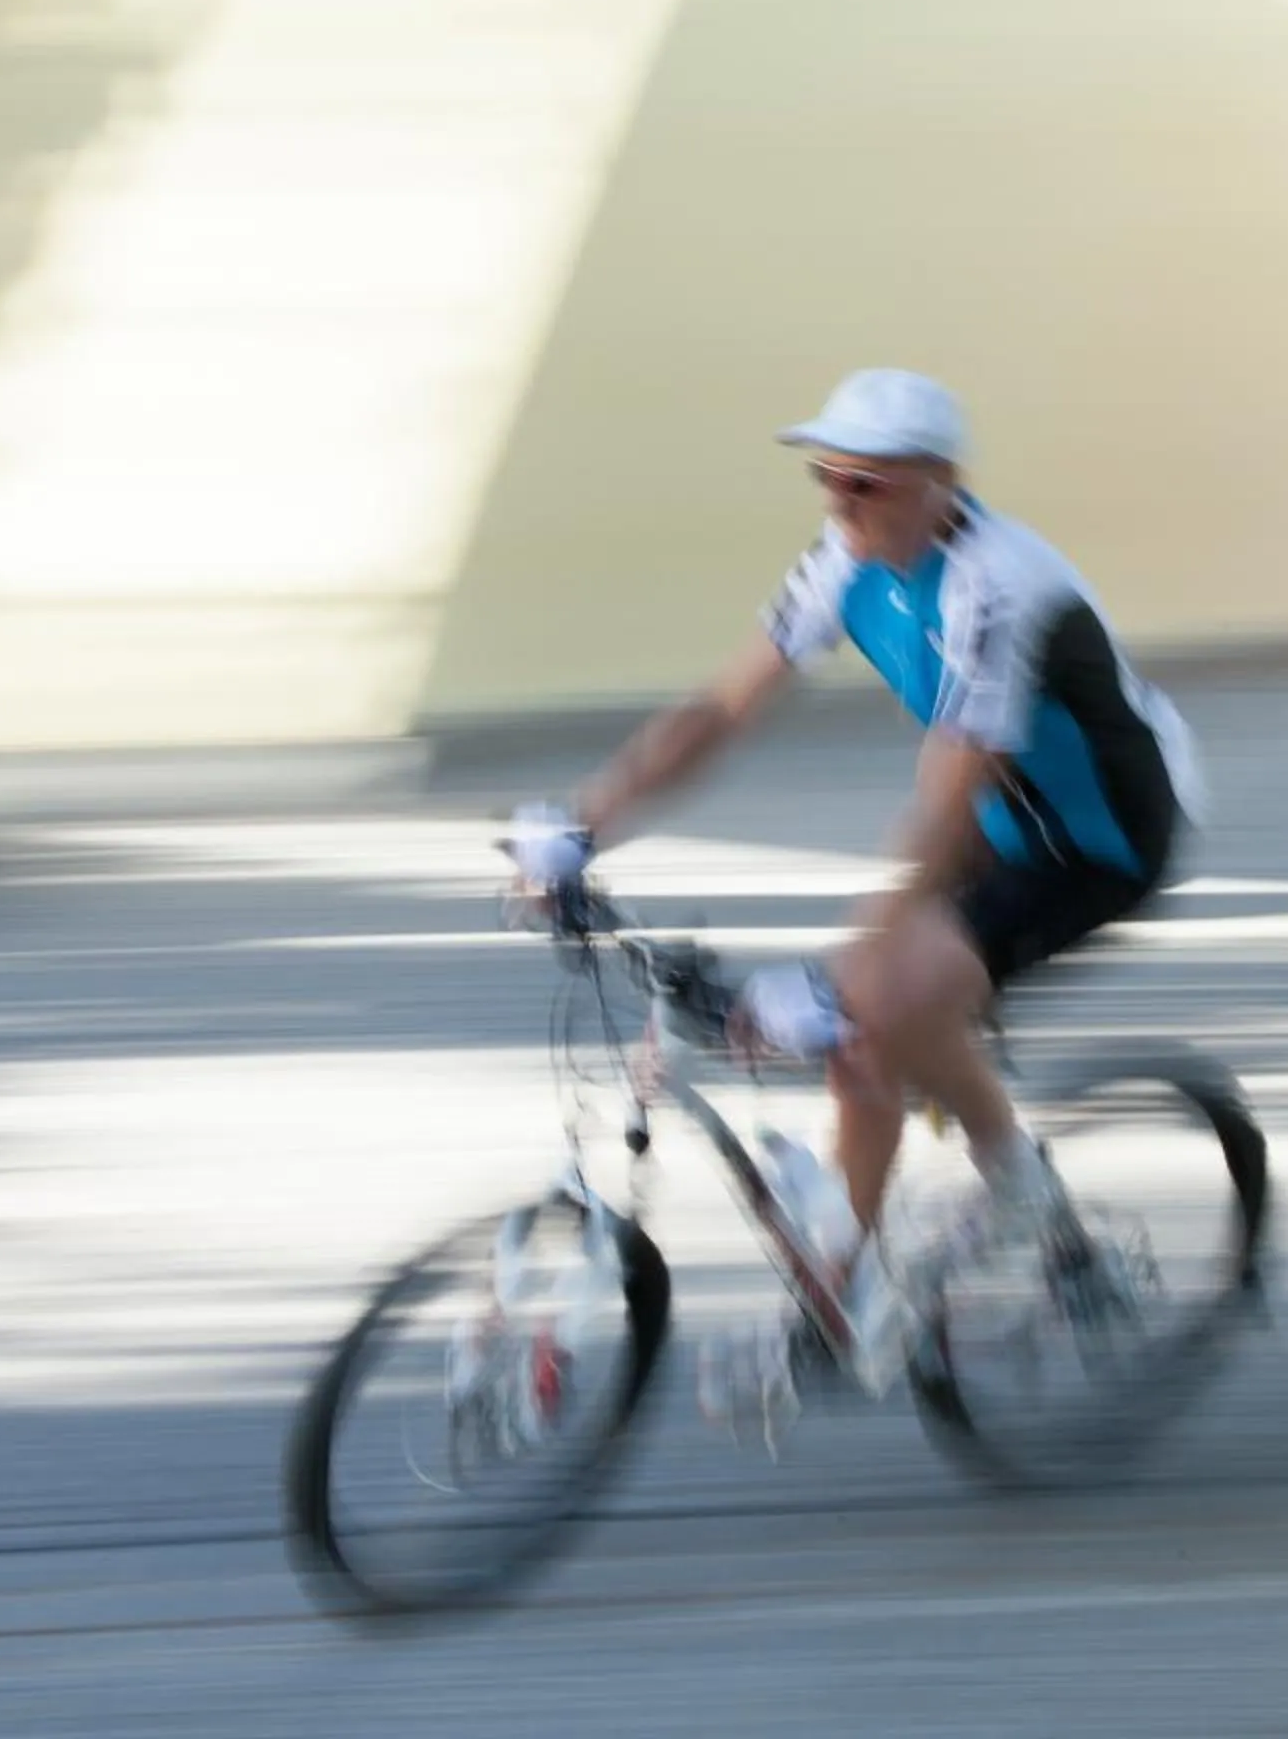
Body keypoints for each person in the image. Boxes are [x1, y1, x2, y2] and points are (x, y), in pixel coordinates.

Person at [504, 368, 1204, 1390]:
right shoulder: (847, 554)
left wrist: (840, 977)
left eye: (866, 482)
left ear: (938, 481)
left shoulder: (999, 586)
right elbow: (721, 709)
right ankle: (842, 1298)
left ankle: (1015, 1188)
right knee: (860, 1031)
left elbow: (948, 794)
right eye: (828, 475)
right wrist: (582, 821)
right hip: (1002, 819)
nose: (839, 499)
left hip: (1101, 838)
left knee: (877, 1000)